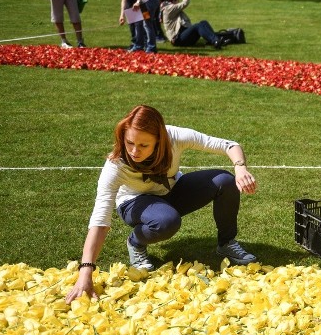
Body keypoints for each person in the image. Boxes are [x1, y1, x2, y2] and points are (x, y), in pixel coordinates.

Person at [65, 105, 258, 303]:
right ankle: (136, 242)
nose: (134, 151)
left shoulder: (174, 136)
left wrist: (240, 168)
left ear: (159, 139)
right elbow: (100, 221)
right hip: (134, 202)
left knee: (225, 181)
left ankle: (226, 243)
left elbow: (229, 145)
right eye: (129, 142)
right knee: (166, 221)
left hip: (171, 190)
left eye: (143, 145)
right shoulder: (116, 165)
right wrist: (85, 271)